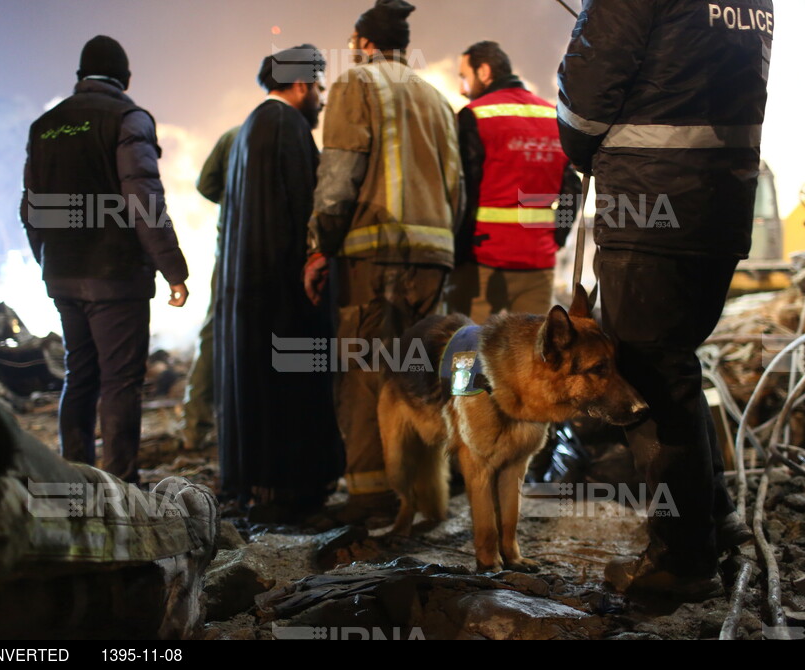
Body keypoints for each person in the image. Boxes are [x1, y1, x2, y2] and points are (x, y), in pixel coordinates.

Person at [557, 0, 772, 598]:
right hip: (720, 206)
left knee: (650, 375)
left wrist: (575, 138)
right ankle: (715, 518)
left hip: (652, 203)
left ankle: (682, 560)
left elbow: (584, 100)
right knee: (675, 364)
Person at [303, 0, 464, 523]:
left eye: (353, 40)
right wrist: (442, 244)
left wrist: (320, 244)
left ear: (366, 43)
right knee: (419, 375)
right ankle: (427, 496)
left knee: (368, 371)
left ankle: (373, 496)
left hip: (376, 254)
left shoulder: (358, 85)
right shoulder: (437, 98)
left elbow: (339, 175)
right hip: (433, 254)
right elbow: (455, 188)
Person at [20, 35, 189, 484]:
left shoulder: (44, 126)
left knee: (80, 376)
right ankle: (120, 486)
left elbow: (30, 208)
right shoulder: (128, 118)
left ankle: (73, 477)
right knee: (120, 382)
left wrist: (47, 259)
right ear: (125, 78)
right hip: (116, 278)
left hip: (63, 276)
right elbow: (144, 198)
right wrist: (174, 269)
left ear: (81, 77)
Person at [214, 46, 344, 519]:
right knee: (292, 389)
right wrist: (316, 261)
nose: (323, 99)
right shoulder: (289, 127)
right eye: (320, 88)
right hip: (287, 295)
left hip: (248, 293)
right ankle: (295, 488)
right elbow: (306, 209)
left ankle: (258, 486)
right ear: (302, 85)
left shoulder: (249, 127)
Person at [447, 41, 580, 323]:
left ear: (483, 71)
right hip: (538, 262)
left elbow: (461, 189)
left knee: (467, 353)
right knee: (534, 356)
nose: (462, 87)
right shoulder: (553, 116)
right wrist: (557, 237)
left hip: (481, 261)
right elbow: (572, 188)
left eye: (464, 77)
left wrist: (457, 249)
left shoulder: (475, 116)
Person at [181, 125, 240, 452]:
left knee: (215, 331)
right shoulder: (293, 132)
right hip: (276, 254)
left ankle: (195, 428)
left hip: (230, 251)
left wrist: (232, 204)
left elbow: (206, 184)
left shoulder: (232, 135)